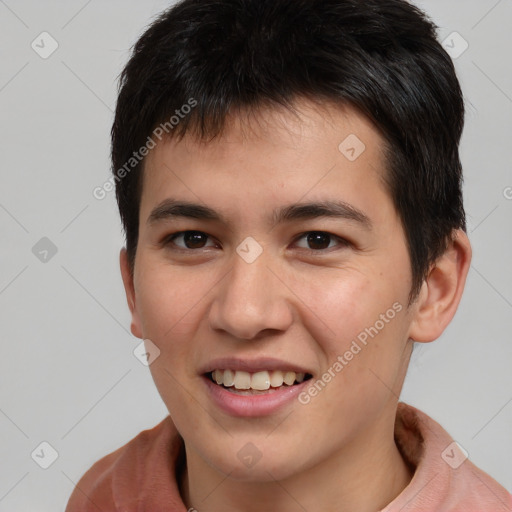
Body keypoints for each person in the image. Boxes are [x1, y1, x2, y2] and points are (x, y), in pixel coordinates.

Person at [66, 0, 512, 510]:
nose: (245, 313)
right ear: (133, 287)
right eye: (193, 239)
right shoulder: (106, 496)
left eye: (318, 240)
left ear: (434, 286)